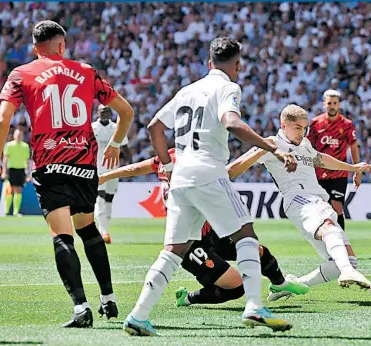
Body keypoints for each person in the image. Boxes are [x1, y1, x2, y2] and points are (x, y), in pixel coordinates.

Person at [123, 37, 297, 336]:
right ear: (238, 65)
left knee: (174, 250)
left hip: (180, 178)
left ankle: (139, 316)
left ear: (209, 62)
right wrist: (274, 150)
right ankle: (255, 306)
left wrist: (166, 166)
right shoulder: (228, 87)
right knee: (246, 235)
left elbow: (154, 127)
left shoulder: (186, 90)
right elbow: (231, 123)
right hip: (208, 171)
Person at [0, 20, 135, 327]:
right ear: (62, 45)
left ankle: (81, 307)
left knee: (62, 235)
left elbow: (2, 121)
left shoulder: (21, 74)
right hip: (83, 163)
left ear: (34, 47)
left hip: (50, 163)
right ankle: (109, 299)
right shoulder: (87, 71)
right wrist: (116, 143)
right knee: (88, 228)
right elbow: (127, 111)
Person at [98, 148, 309, 307]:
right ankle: (187, 298)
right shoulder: (170, 158)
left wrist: (259, 149)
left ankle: (280, 285)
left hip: (212, 231)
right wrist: (106, 176)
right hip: (189, 242)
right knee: (236, 287)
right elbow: (136, 168)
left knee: (257, 250)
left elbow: (229, 172)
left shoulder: (196, 160)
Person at [227, 104, 371, 302]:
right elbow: (234, 168)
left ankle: (291, 285)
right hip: (298, 198)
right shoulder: (271, 143)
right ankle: (347, 272)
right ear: (283, 125)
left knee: (347, 259)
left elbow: (321, 159)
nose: (301, 132)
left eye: (304, 128)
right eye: (297, 127)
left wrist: (352, 168)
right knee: (329, 227)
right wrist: (252, 156)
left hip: (317, 199)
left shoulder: (304, 144)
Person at [306, 90, 361, 230]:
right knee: (321, 209)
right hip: (319, 173)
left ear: (339, 105)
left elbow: (354, 148)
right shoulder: (315, 123)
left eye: (335, 103)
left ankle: (342, 239)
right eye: (329, 103)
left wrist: (357, 171)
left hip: (339, 173)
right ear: (324, 104)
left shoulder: (347, 125)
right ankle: (325, 238)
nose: (332, 106)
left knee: (337, 206)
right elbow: (306, 146)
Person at [92, 105, 131, 244]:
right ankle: (103, 231)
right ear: (97, 112)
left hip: (114, 168)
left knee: (109, 198)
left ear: (111, 113)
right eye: (102, 111)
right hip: (97, 167)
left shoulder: (116, 127)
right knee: (100, 196)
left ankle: (105, 227)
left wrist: (129, 164)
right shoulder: (92, 128)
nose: (105, 113)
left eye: (107, 111)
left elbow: (125, 147)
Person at [2, 128, 30, 216]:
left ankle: (15, 212)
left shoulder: (25, 146)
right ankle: (6, 211)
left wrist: (28, 173)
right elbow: (5, 159)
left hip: (21, 170)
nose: (18, 137)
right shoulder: (9, 145)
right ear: (14, 135)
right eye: (17, 135)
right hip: (11, 169)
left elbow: (27, 160)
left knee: (18, 190)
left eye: (20, 135)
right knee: (9, 190)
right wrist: (4, 171)